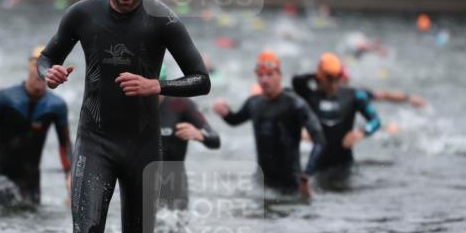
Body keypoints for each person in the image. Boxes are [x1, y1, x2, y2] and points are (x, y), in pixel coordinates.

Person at [37, 0, 210, 233]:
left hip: (142, 148)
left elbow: (201, 79)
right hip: (95, 142)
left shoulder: (162, 20)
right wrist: (48, 72)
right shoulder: (82, 15)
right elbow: (49, 56)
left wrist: (156, 85)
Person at [0, 45, 72, 207]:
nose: (40, 71)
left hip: (30, 184)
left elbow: (65, 145)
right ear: (29, 66)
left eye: (47, 67)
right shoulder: (5, 98)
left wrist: (70, 176)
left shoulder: (56, 106)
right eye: (37, 64)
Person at [213, 51, 324, 199]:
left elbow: (319, 140)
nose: (264, 80)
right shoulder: (254, 103)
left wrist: (306, 176)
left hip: (291, 186)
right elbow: (235, 120)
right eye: (260, 75)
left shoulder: (295, 104)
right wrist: (225, 113)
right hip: (263, 185)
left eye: (269, 74)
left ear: (280, 75)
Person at [292, 53, 394, 188]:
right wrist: (317, 73)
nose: (333, 84)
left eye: (337, 78)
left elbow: (376, 121)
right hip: (319, 167)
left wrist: (361, 133)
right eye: (329, 79)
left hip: (345, 166)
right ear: (320, 78)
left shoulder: (353, 95)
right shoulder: (311, 96)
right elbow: (296, 81)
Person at [157, 63, 221, 210]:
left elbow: (215, 139)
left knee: (176, 231)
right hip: (141, 186)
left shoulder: (180, 104)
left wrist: (200, 135)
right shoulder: (134, 105)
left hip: (175, 188)